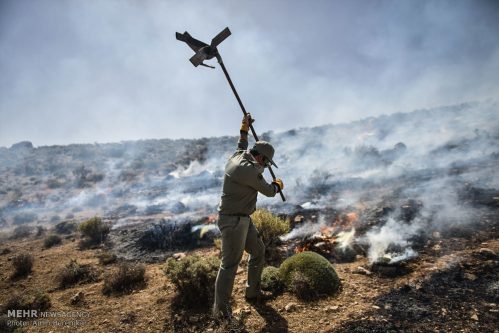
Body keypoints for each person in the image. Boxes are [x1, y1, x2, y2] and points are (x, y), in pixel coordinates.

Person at [213, 113, 284, 318]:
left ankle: (252, 293)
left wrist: (244, 130)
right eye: (267, 162)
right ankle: (221, 313)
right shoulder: (249, 171)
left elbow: (241, 145)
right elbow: (269, 191)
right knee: (229, 265)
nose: (267, 166)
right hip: (234, 221)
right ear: (260, 157)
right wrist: (277, 185)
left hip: (242, 219)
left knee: (258, 250)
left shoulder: (238, 157)